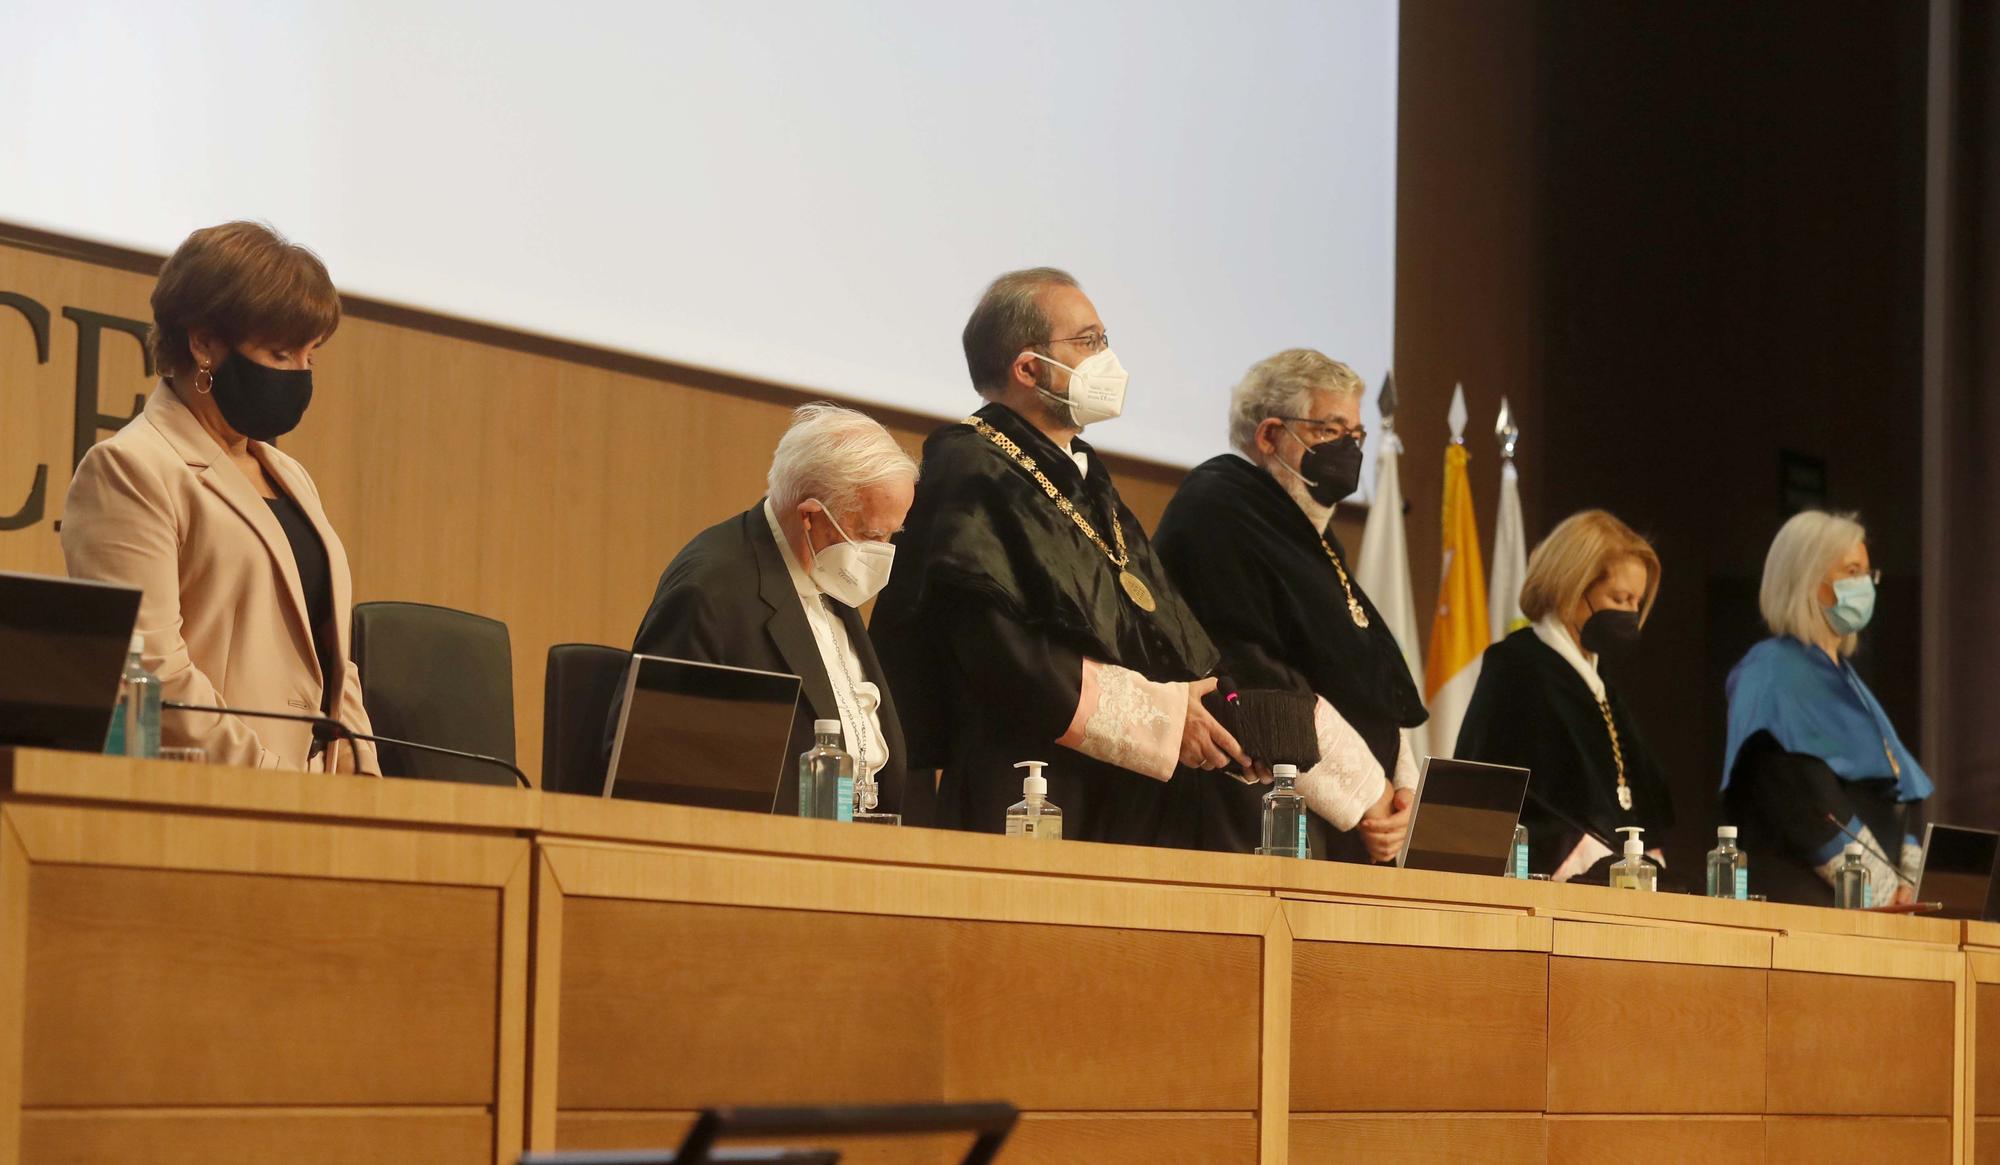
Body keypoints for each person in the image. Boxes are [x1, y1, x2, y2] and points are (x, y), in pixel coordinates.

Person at [871, 267, 1244, 846]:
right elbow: (1000, 654)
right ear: (1028, 368)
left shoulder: (1085, 475)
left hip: (1129, 788)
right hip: (1026, 782)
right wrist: (1161, 719)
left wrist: (1216, 710)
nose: (1107, 358)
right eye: (1089, 341)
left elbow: (1153, 619)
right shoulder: (971, 470)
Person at [62, 221, 377, 773]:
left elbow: (330, 655)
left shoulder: (290, 476)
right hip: (212, 802)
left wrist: (362, 772)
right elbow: (153, 675)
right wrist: (274, 780)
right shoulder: (131, 469)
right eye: (281, 355)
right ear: (204, 342)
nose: (300, 375)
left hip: (317, 810)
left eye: (311, 357)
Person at [1154, 350, 1423, 862]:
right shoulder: (1219, 508)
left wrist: (1403, 793)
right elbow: (1254, 671)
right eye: (1330, 430)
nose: (1350, 448)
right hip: (1253, 812)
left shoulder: (1309, 534)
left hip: (1342, 820)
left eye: (1357, 435)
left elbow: (1367, 676)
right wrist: (1371, 794)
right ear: (1270, 435)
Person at [623, 402, 930, 825]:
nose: (880, 552)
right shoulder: (712, 591)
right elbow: (663, 772)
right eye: (871, 535)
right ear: (809, 518)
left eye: (891, 535)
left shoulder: (827, 569)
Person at [1722, 511, 1927, 907]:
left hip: (1872, 912)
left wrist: (1913, 883)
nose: (1865, 586)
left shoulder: (1849, 680)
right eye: (1852, 571)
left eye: (1869, 574)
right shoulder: (1771, 671)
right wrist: (1882, 891)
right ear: (1806, 580)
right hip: (1808, 906)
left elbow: (1898, 788)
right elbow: (1800, 796)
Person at [1455, 510, 1674, 880]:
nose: (1632, 615)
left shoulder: (1598, 680)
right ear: (1572, 586)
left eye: (1638, 602)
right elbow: (1493, 797)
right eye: (1620, 598)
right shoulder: (1517, 668)